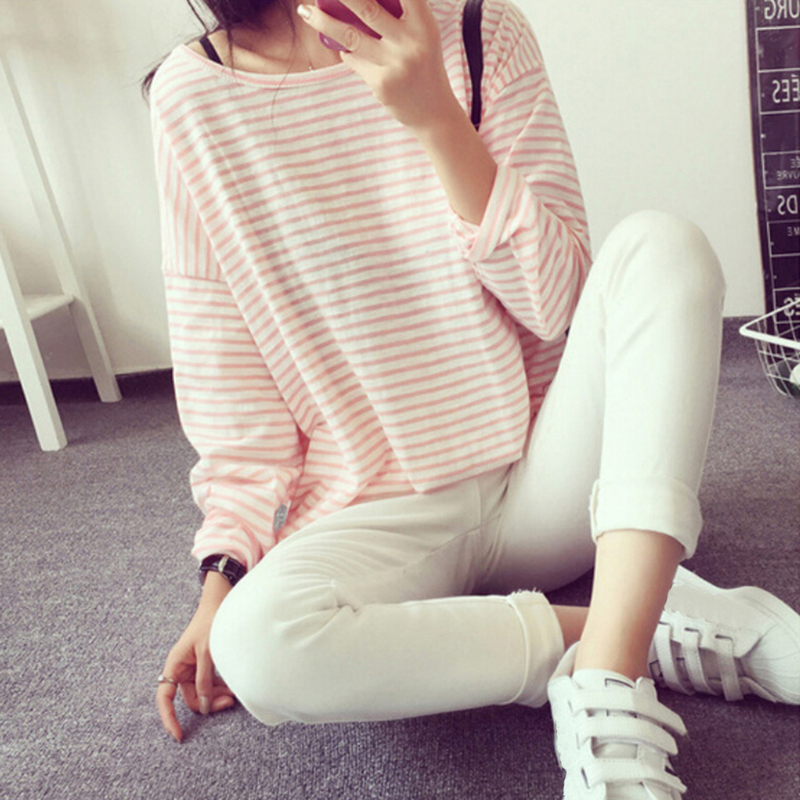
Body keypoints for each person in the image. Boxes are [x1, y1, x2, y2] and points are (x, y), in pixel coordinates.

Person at [144, 1, 800, 797]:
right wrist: (222, 579)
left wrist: (435, 118)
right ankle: (640, 629)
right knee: (256, 646)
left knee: (663, 250)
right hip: (381, 520)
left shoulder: (483, 31)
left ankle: (607, 678)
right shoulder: (193, 96)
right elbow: (231, 394)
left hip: (548, 481)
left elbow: (555, 304)